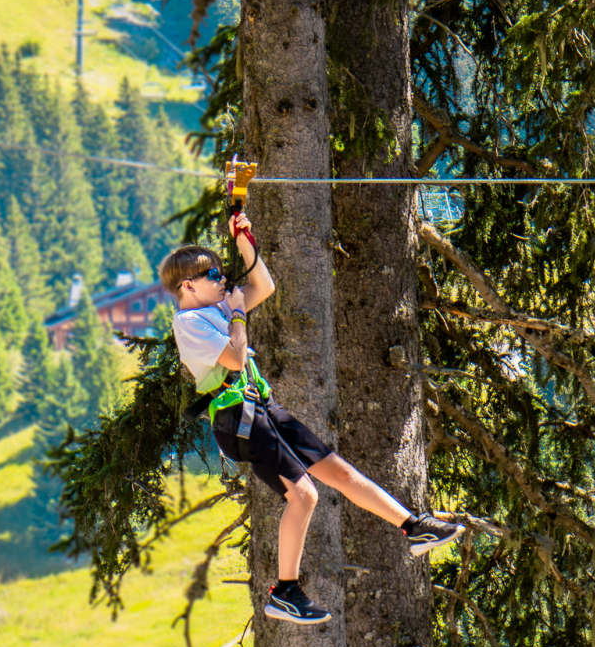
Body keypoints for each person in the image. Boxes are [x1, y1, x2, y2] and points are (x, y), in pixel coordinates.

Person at [159, 213, 463, 624]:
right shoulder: (190, 321)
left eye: (220, 271)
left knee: (338, 471)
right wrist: (235, 313)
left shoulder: (215, 305)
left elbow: (264, 286)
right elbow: (233, 357)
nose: (221, 278)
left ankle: (413, 526)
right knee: (305, 495)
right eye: (212, 273)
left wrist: (244, 239)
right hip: (238, 417)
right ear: (188, 285)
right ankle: (285, 591)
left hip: (260, 408)